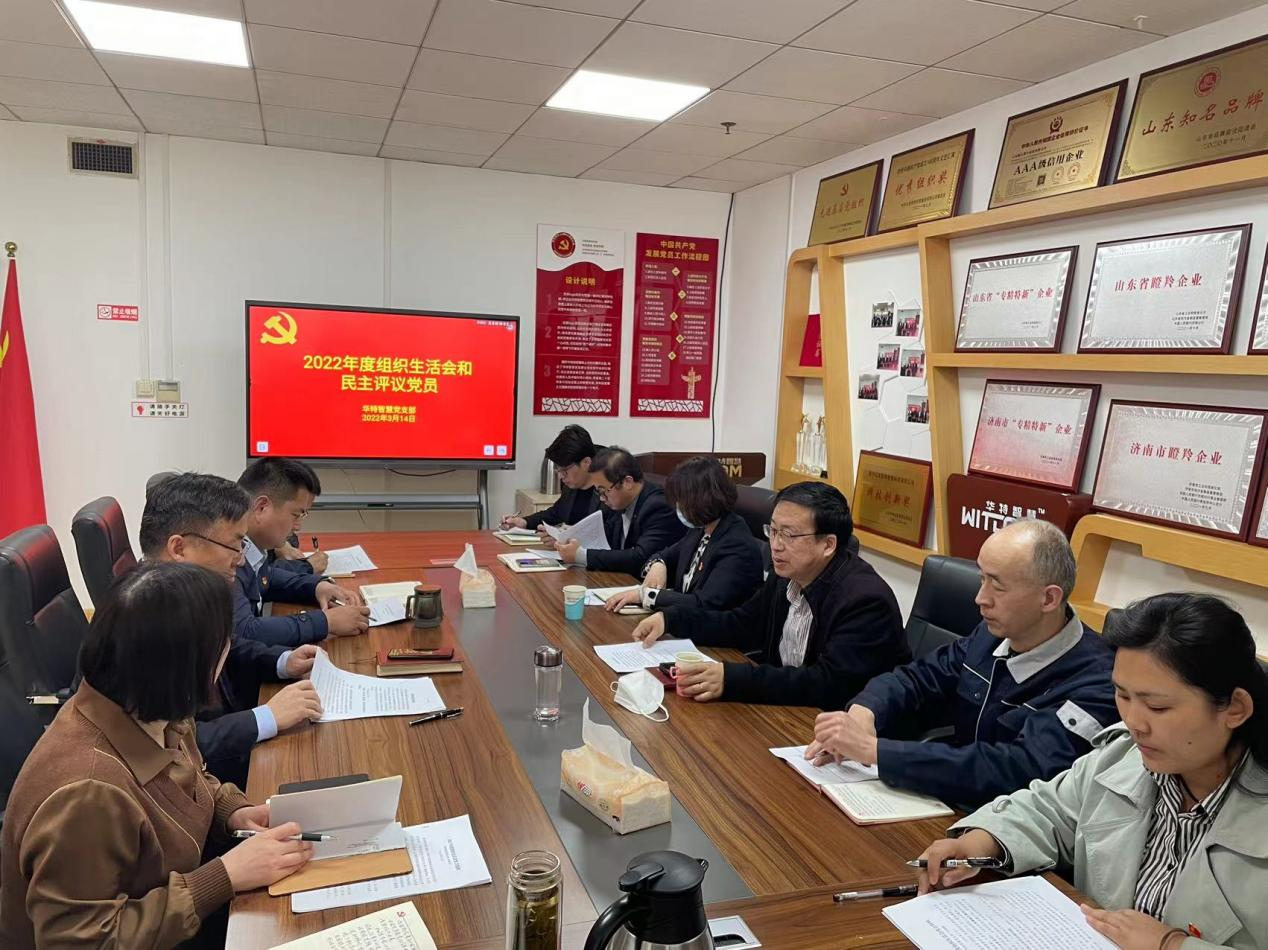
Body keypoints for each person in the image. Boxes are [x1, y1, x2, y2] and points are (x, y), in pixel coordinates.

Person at [917, 593, 1268, 950]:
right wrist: (978, 844)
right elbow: (1048, 809)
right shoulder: (1123, 756)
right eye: (1123, 696)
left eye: (1157, 707)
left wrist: (1172, 945)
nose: (1134, 723)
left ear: (1235, 708)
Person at [0, 562, 313, 948]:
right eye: (223, 642)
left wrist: (231, 812)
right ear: (189, 667)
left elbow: (191, 776)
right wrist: (225, 876)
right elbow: (82, 941)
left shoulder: (153, 709)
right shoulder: (88, 793)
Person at [806, 519, 1118, 809]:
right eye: (982, 579)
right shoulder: (991, 635)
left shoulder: (1100, 681)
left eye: (997, 586)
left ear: (1049, 599)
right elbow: (919, 677)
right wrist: (865, 712)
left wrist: (875, 751)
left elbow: (1016, 769)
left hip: (1007, 826)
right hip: (948, 801)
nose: (980, 598)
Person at [631, 481, 907, 709]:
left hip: (839, 730)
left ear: (828, 544)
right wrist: (672, 619)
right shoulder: (786, 575)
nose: (775, 545)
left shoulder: (865, 601)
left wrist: (731, 679)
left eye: (788, 535)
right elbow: (743, 624)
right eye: (772, 531)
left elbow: (827, 685)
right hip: (787, 710)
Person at [139, 473, 324, 786]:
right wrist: (266, 717)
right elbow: (168, 749)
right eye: (233, 546)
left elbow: (231, 646)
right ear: (179, 548)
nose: (240, 560)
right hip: (205, 778)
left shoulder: (187, 597)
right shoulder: (143, 628)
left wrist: (282, 661)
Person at [235, 458, 368, 648]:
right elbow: (245, 631)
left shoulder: (252, 548)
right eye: (296, 515)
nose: (298, 526)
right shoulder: (226, 556)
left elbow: (267, 579)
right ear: (261, 507)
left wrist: (317, 587)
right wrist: (325, 622)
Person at [604, 456, 763, 613]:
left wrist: (646, 596)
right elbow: (664, 554)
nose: (678, 507)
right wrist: (659, 564)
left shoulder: (736, 544)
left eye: (682, 500)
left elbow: (704, 604)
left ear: (703, 500)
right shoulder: (700, 530)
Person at [553, 446, 685, 575]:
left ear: (627, 482)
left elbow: (641, 557)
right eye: (598, 492)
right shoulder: (620, 501)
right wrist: (570, 537)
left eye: (603, 491)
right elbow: (605, 535)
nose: (602, 498)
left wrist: (581, 556)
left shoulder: (659, 506)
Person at [500, 424, 603, 531]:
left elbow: (606, 535)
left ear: (586, 462)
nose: (560, 476)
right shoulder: (573, 484)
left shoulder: (608, 492)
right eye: (558, 470)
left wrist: (567, 537)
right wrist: (524, 522)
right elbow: (556, 513)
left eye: (565, 470)